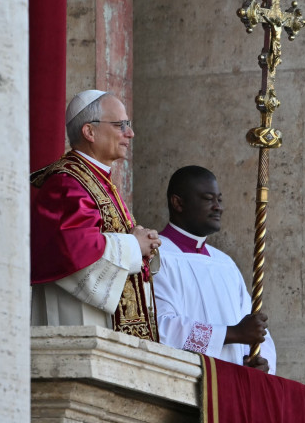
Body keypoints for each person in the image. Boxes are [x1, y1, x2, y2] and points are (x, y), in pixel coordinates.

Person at [30, 89, 161, 341]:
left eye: (128, 125)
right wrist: (134, 245)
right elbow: (72, 247)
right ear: (89, 132)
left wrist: (144, 242)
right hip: (79, 328)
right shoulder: (67, 182)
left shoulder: (99, 180)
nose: (130, 133)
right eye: (120, 125)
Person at [153, 166, 277, 374]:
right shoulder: (156, 255)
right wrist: (233, 334)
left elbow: (253, 327)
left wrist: (260, 360)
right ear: (178, 203)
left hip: (234, 384)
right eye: (208, 198)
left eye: (219, 199)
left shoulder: (225, 263)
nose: (217, 207)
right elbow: (160, 328)